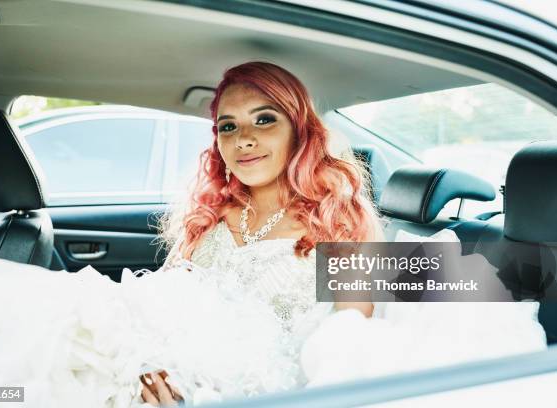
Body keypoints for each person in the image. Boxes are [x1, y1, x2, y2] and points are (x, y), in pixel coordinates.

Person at [140, 61, 384, 406]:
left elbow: (349, 350)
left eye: (264, 119)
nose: (243, 140)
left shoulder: (340, 222)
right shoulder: (206, 217)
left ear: (299, 131)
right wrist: (147, 370)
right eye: (228, 126)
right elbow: (157, 308)